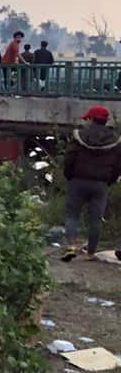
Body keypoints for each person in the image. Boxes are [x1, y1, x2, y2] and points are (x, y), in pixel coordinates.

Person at [62, 106, 121, 261]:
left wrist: (69, 176)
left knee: (72, 215)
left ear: (91, 119)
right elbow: (117, 165)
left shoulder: (79, 136)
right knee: (96, 220)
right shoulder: (116, 140)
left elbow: (69, 158)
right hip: (100, 184)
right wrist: (110, 181)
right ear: (105, 121)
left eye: (87, 118)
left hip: (78, 181)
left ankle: (71, 247)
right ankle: (90, 253)